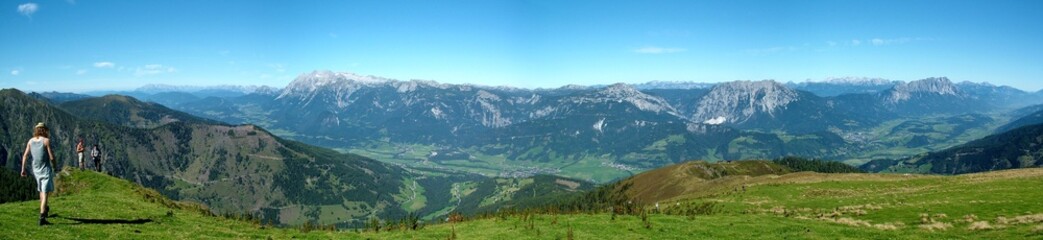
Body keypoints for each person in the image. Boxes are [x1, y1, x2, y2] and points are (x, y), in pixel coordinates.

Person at [21, 122, 57, 226]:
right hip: (45, 169)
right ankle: (42, 217)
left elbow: (25, 155)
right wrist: (55, 166)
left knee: (41, 190)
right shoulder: (46, 141)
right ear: (45, 130)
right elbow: (51, 157)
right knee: (45, 193)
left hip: (35, 170)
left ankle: (44, 209)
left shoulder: (30, 141)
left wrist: (23, 169)